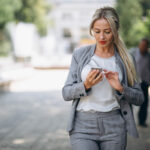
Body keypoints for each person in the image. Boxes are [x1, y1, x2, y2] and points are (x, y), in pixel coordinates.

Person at [62, 7, 144, 150]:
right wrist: (85, 85)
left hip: (114, 126)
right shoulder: (80, 55)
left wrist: (121, 88)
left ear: (116, 30)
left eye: (107, 31)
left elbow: (140, 98)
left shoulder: (127, 59)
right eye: (97, 31)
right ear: (92, 29)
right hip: (82, 126)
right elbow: (66, 93)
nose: (101, 37)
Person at [130, 38, 150, 127]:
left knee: (144, 102)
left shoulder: (149, 56)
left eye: (144, 46)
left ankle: (142, 121)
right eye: (141, 45)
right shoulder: (133, 53)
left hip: (145, 82)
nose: (142, 47)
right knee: (129, 101)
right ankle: (129, 121)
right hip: (134, 81)